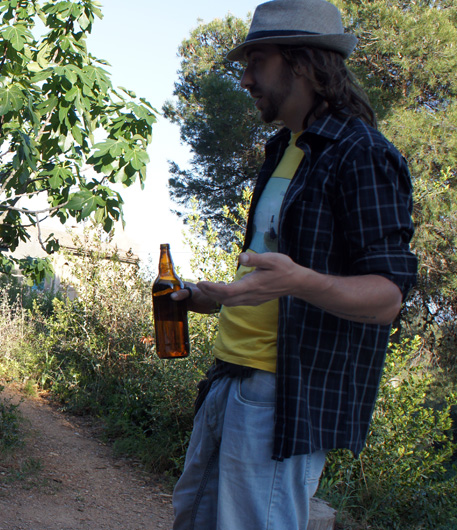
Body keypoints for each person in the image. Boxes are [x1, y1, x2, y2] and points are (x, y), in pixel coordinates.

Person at [169, 1, 418, 528]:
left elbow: (388, 298)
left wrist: (299, 281)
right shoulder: (284, 147)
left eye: (256, 60)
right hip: (228, 379)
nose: (244, 77)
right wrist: (208, 295)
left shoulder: (362, 154)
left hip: (284, 395)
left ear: (302, 63)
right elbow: (271, 282)